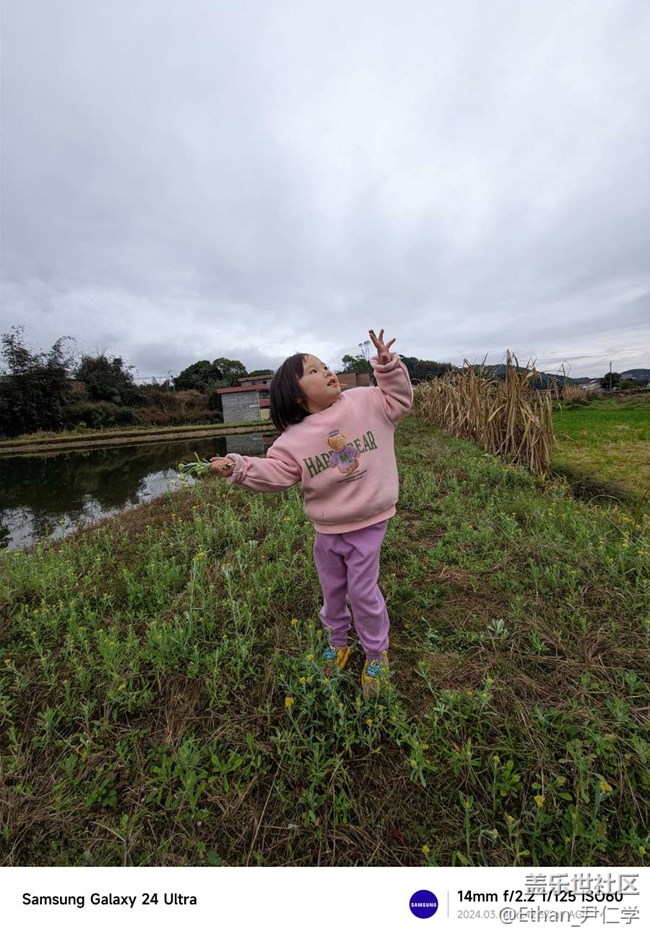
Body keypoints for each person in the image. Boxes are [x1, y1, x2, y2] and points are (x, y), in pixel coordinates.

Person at [210, 329, 412, 697]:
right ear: (296, 396)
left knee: (362, 591)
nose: (327, 371)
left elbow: (398, 400)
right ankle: (337, 642)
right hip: (327, 529)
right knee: (332, 589)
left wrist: (387, 368)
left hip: (367, 523)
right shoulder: (293, 440)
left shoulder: (365, 401)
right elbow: (276, 473)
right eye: (314, 371)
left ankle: (375, 653)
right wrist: (238, 467)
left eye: (325, 366)